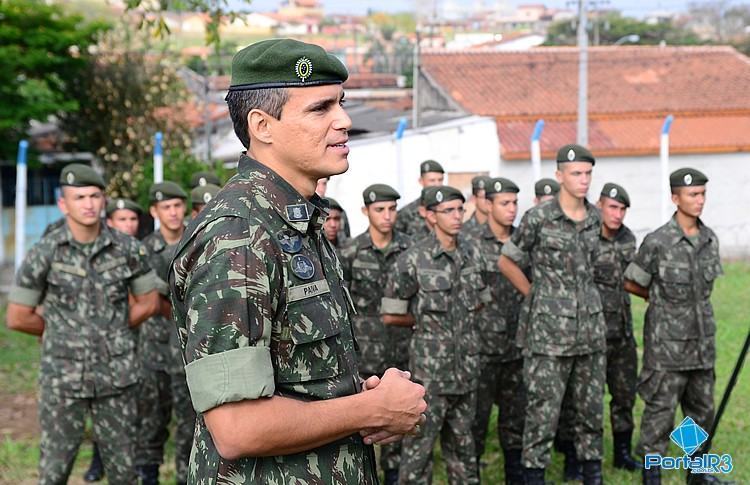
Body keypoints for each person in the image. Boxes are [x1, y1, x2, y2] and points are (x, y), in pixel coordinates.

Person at [168, 38, 427, 484]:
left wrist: (353, 397)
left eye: (340, 104)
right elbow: (236, 427)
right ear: (262, 126)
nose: (344, 121)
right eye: (320, 108)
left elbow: (299, 377)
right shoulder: (240, 234)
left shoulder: (295, 220)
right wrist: (368, 408)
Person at [6, 163, 159, 485]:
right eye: (79, 197)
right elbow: (18, 315)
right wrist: (66, 334)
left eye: (94, 196)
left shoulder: (129, 249)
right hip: (63, 379)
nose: (88, 204)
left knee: (124, 471)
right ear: (64, 204)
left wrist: (113, 330)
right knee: (54, 470)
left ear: (103, 200)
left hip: (117, 377)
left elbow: (148, 302)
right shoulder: (45, 252)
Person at [499, 144, 606, 485]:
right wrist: (537, 295)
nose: (584, 180)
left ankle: (593, 473)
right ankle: (534, 476)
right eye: (576, 173)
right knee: (543, 412)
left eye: (588, 173)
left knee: (590, 411)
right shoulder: (539, 218)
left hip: (589, 332)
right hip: (548, 337)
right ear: (559, 176)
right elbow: (507, 260)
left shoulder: (595, 218)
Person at [382, 185, 489, 485]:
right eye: (448, 211)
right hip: (430, 374)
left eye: (460, 209)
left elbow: (481, 298)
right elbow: (391, 312)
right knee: (419, 450)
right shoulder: (413, 259)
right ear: (429, 216)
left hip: (466, 369)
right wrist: (424, 321)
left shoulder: (473, 252)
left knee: (464, 449)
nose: (457, 217)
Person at [624, 168, 723, 485]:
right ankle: (652, 475)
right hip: (666, 347)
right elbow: (632, 281)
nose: (700, 201)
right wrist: (661, 301)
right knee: (659, 417)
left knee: (700, 412)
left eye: (703, 194)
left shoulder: (709, 239)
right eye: (693, 195)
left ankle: (697, 473)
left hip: (701, 345)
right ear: (675, 198)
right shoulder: (658, 242)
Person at [339, 183, 412, 484]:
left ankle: (395, 475)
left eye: (392, 209)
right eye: (380, 210)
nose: (387, 216)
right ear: (365, 212)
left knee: (399, 418)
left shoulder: (410, 249)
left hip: (402, 346)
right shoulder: (351, 251)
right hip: (363, 350)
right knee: (362, 421)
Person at [77, 196, 145, 482]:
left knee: (136, 406)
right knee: (101, 400)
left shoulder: (139, 252)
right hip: (103, 346)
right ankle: (98, 459)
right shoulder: (98, 254)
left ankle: (137, 460)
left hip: (142, 340)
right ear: (109, 223)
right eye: (121, 220)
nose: (128, 226)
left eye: (132, 219)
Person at [138, 181, 196, 485]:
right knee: (152, 421)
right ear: (154, 211)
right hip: (155, 350)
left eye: (177, 206)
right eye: (166, 207)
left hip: (189, 351)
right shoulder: (145, 249)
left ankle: (186, 477)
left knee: (189, 424)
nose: (173, 213)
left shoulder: (196, 239)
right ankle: (148, 475)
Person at [469, 177, 527, 484]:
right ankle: (472, 473)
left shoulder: (523, 243)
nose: (512, 210)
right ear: (488, 204)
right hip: (482, 349)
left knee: (516, 420)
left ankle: (515, 476)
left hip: (518, 347)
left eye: (515, 203)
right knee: (476, 420)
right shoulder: (470, 244)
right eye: (505, 203)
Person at [593, 183, 641, 471]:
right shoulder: (586, 237)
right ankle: (583, 457)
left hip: (622, 334)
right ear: (599, 206)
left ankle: (622, 453)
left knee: (624, 395)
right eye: (612, 207)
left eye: (622, 209)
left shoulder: (627, 239)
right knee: (588, 401)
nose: (618, 214)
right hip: (593, 334)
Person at [394, 160, 445, 237]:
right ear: (421, 181)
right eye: (432, 180)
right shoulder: (407, 213)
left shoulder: (450, 209)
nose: (437, 184)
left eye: (440, 180)